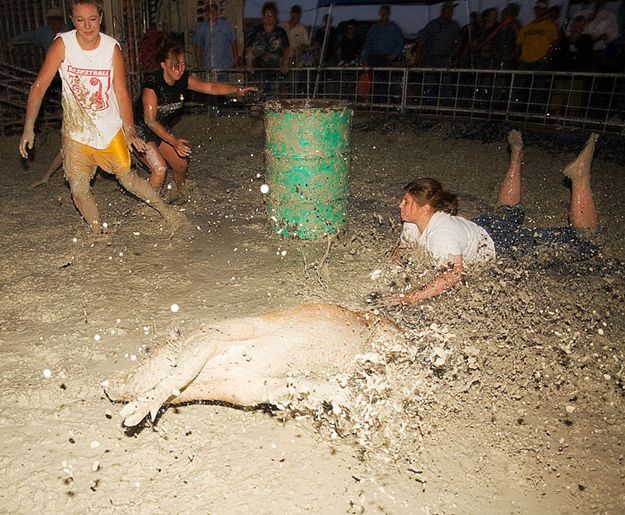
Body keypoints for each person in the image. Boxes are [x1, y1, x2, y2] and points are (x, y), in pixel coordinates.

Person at [18, 0, 185, 235]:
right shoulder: (62, 45)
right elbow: (39, 86)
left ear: (101, 18)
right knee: (78, 187)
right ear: (72, 20)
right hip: (76, 131)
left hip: (109, 127)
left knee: (127, 177)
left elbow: (121, 92)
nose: (87, 26)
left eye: (93, 20)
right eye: (80, 20)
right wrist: (28, 126)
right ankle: (97, 231)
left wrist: (129, 130)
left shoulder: (111, 48)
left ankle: (167, 213)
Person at [388, 130, 600, 304]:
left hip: (501, 244)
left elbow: (452, 275)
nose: (400, 204)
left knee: (584, 241)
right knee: (508, 212)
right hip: (480, 227)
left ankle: (580, 177)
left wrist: (410, 297)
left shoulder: (442, 234)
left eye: (406, 201)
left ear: (425, 208)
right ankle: (516, 156)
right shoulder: (412, 223)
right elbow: (403, 250)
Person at [135, 42, 256, 199]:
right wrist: (174, 141)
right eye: (175, 66)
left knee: (181, 164)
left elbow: (210, 87)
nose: (180, 70)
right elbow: (150, 121)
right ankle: (148, 207)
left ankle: (180, 193)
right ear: (163, 65)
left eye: (183, 65)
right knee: (160, 170)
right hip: (141, 128)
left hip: (160, 128)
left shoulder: (184, 80)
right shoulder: (152, 85)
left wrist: (236, 90)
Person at [244, 1, 290, 95]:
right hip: (257, 71)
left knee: (274, 98)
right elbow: (249, 48)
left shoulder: (280, 32)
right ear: (262, 16)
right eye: (266, 14)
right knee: (257, 96)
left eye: (271, 14)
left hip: (276, 71)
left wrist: (285, 63)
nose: (268, 17)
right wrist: (249, 63)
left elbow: (287, 49)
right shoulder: (255, 31)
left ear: (275, 16)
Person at [193, 1, 238, 78]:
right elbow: (197, 47)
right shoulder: (201, 28)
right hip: (207, 68)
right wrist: (200, 66)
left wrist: (235, 60)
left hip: (224, 67)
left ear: (217, 12)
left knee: (224, 89)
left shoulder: (227, 26)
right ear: (206, 13)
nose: (211, 13)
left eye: (213, 11)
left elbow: (233, 43)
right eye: (208, 11)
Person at [414, 1, 461, 68]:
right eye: (448, 9)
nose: (450, 12)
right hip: (430, 59)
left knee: (445, 77)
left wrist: (456, 58)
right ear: (443, 11)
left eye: (451, 10)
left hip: (446, 59)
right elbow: (421, 41)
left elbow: (457, 43)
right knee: (429, 77)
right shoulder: (432, 25)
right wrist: (418, 58)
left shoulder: (455, 26)